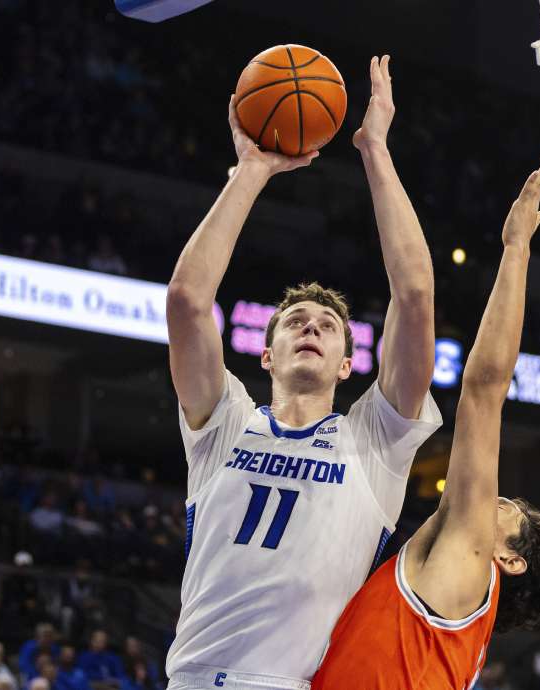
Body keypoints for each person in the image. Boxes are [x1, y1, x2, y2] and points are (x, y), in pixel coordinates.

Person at [163, 54, 439, 690]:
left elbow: (416, 294)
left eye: (326, 325)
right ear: (264, 355)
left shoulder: (374, 441)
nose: (310, 326)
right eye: (294, 322)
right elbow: (186, 300)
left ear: (349, 364)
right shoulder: (221, 423)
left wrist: (375, 150)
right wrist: (253, 169)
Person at [312, 156, 540, 689]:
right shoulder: (453, 605)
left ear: (508, 561)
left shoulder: (470, 563)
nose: (494, 498)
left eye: (510, 512)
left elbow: (485, 390)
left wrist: (516, 251)